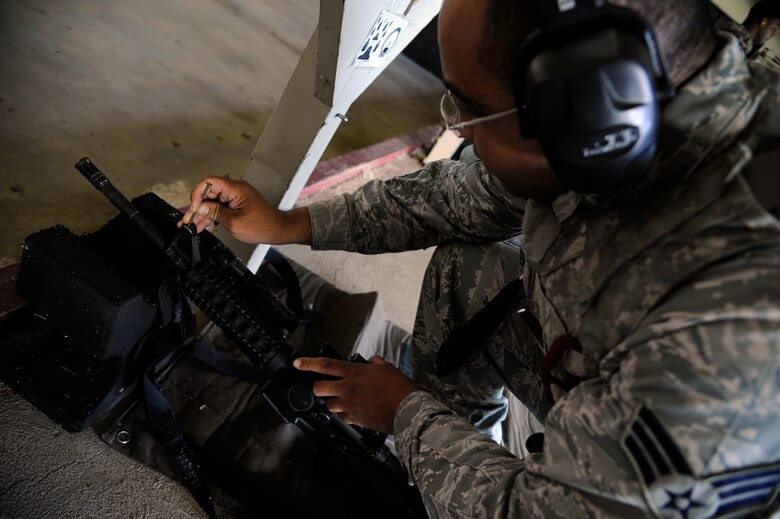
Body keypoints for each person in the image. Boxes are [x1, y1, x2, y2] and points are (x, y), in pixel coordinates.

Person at [181, 0, 780, 516]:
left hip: (676, 470)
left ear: (579, 123)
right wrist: (290, 224)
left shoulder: (727, 338)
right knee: (465, 274)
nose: (459, 129)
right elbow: (459, 197)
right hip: (593, 364)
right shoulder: (624, 116)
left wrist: (407, 418)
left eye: (467, 106)